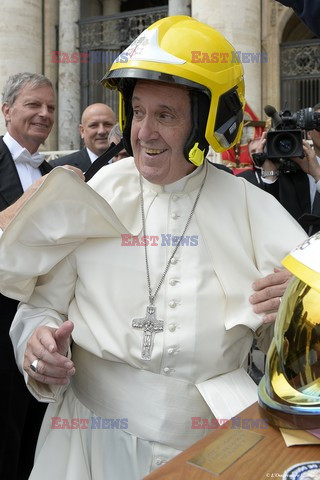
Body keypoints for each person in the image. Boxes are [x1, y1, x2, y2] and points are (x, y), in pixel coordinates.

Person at [0, 17, 307, 480]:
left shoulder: (252, 208)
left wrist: (294, 309)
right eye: (138, 111)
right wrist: (37, 348)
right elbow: (39, 307)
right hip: (88, 441)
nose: (143, 132)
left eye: (165, 115)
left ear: (211, 122)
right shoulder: (96, 191)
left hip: (212, 444)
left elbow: (292, 357)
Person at [0, 72, 55, 480]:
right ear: (7, 111)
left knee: (38, 435)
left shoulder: (52, 170)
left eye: (51, 107)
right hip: (0, 325)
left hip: (44, 326)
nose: (44, 113)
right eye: (34, 104)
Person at [237, 128, 320, 235]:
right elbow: (267, 219)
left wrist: (317, 175)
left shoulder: (313, 171)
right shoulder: (252, 178)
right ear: (309, 133)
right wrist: (270, 173)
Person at [50, 103, 116, 171]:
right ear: (82, 131)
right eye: (94, 125)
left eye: (107, 124)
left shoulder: (126, 162)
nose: (101, 131)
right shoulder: (58, 168)